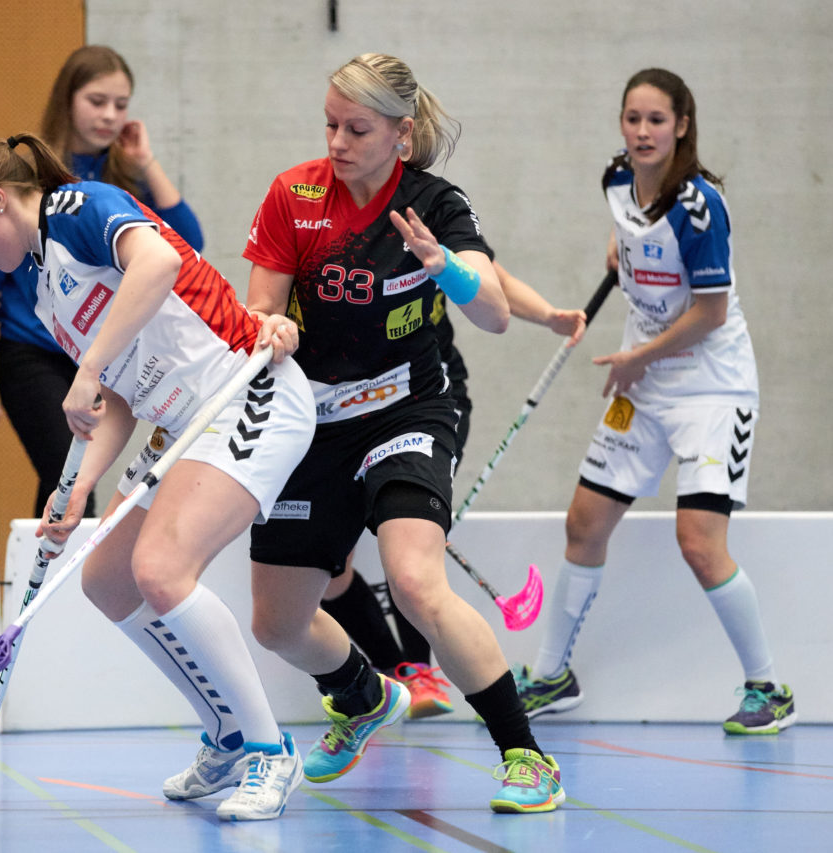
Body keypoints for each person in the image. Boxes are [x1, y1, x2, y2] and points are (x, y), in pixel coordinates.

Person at [0, 132, 316, 820]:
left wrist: (88, 368)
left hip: (247, 391)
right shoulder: (44, 293)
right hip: (182, 426)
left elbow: (157, 261)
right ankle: (223, 732)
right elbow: (125, 402)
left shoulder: (79, 205)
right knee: (107, 576)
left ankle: (270, 749)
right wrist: (75, 489)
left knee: (162, 568)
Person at [241, 53, 565, 814]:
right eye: (329, 124)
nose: (337, 141)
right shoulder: (294, 196)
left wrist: (444, 266)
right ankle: (362, 694)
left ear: (401, 135)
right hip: (312, 420)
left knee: (417, 581)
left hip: (407, 408)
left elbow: (491, 311)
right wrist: (269, 329)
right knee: (276, 621)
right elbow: (260, 304)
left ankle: (525, 755)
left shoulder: (435, 204)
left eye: (357, 128)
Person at [515, 68, 796, 736]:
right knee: (584, 523)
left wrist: (639, 356)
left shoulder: (701, 208)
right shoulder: (618, 181)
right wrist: (623, 257)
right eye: (632, 118)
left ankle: (769, 687)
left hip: (710, 389)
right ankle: (553, 675)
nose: (642, 132)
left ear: (682, 126)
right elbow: (630, 238)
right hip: (642, 387)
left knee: (698, 542)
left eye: (656, 121)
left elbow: (710, 310)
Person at [321, 266, 586, 720]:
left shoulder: (427, 215)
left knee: (404, 538)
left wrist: (549, 316)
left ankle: (415, 671)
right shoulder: (320, 224)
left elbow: (491, 278)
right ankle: (393, 674)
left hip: (424, 404)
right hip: (338, 406)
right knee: (328, 568)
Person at [0, 45, 204, 518]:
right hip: (34, 353)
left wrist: (146, 162)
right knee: (64, 475)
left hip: (105, 351)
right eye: (97, 101)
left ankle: (51, 573)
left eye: (121, 104)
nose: (110, 115)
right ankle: (47, 580)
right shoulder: (25, 173)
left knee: (72, 481)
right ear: (67, 99)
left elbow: (187, 244)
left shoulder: (121, 172)